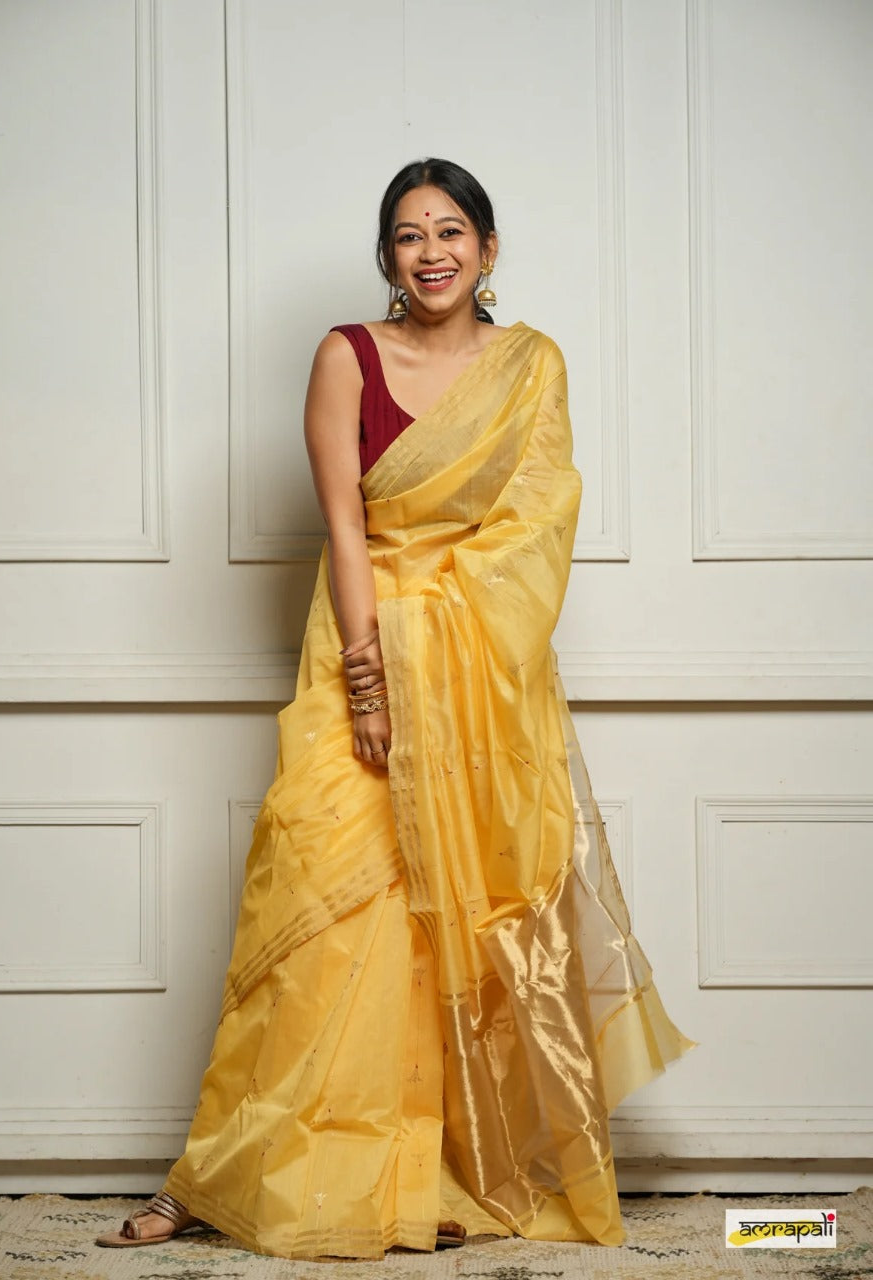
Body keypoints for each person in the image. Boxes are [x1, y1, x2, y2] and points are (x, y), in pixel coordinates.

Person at [97, 157, 697, 1259]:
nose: (432, 252)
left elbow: (534, 530)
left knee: (455, 927)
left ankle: (423, 1175)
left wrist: (438, 650)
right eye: (410, 235)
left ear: (488, 249)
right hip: (359, 652)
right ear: (387, 256)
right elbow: (346, 527)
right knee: (315, 914)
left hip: (480, 686)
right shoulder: (347, 355)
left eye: (451, 230)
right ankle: (219, 1175)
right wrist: (371, 685)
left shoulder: (529, 365)